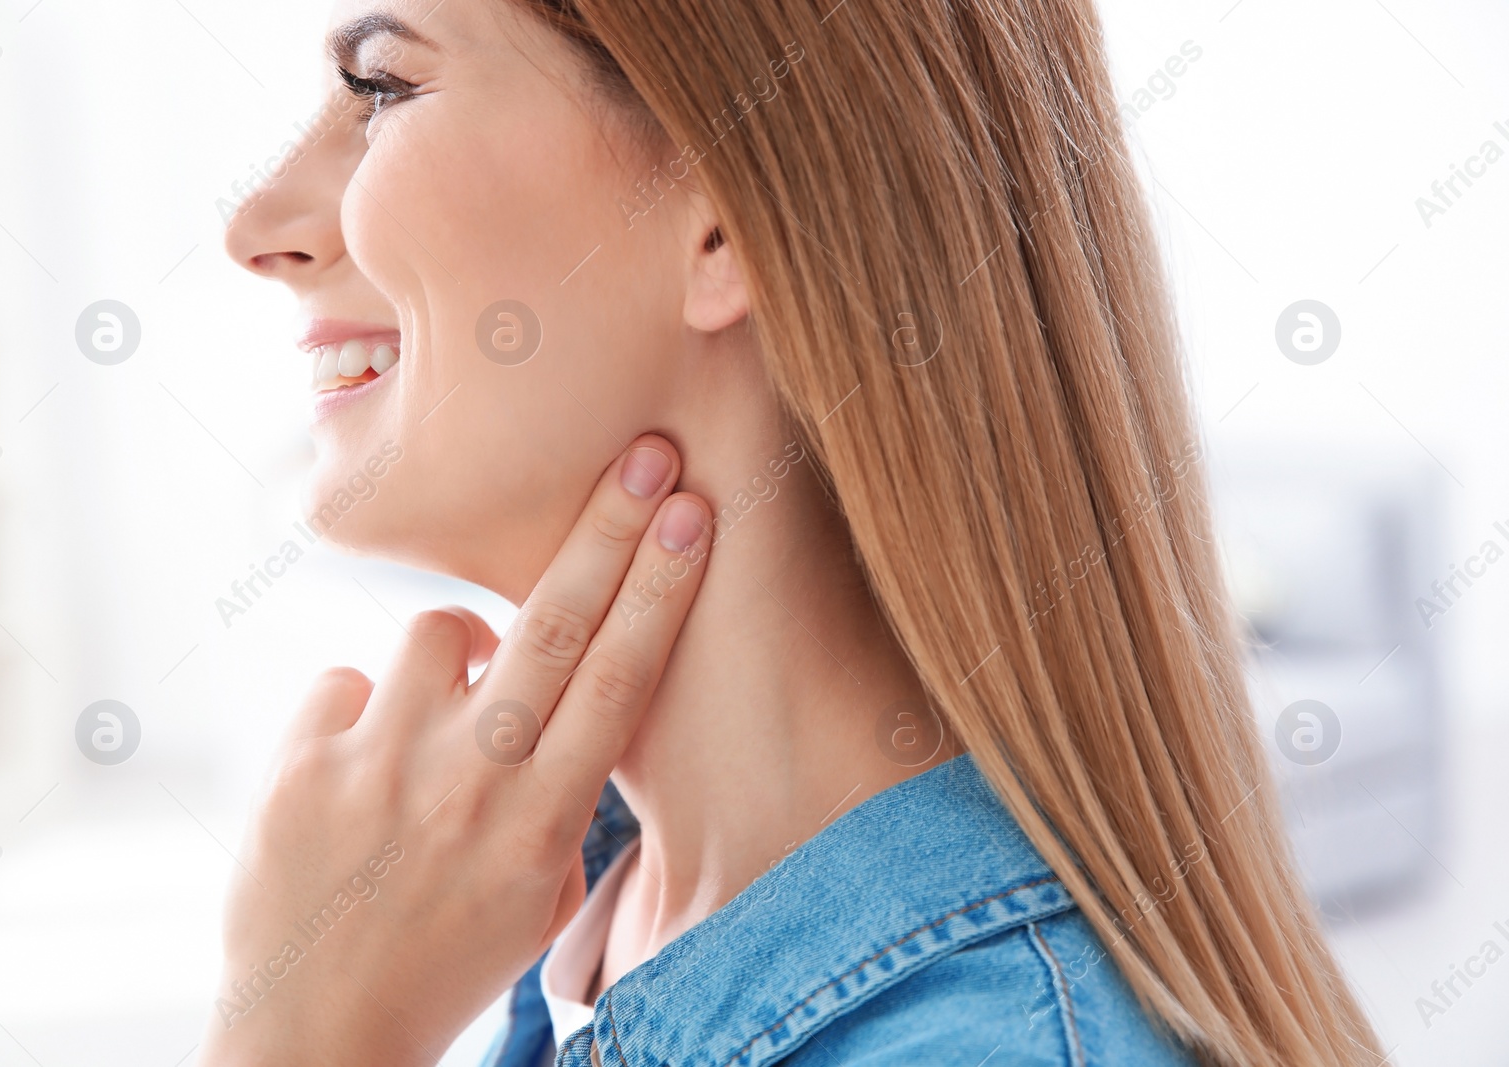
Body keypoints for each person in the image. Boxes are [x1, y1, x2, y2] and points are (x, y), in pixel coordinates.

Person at [202, 0, 1382, 1063]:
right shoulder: (580, 935)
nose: (254, 228)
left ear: (725, 222)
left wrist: (297, 1037)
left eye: (381, 87)